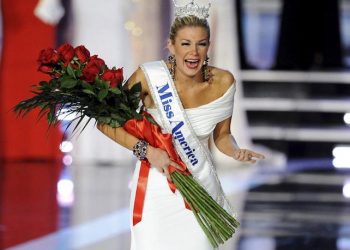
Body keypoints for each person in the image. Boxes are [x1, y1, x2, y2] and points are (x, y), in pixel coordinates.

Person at [97, 1, 265, 249]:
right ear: (171, 46)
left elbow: (222, 135)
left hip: (200, 186)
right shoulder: (150, 77)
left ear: (209, 46)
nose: (193, 52)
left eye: (201, 43)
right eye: (186, 43)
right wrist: (148, 152)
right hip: (156, 185)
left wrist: (235, 150)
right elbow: (106, 122)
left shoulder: (224, 82)